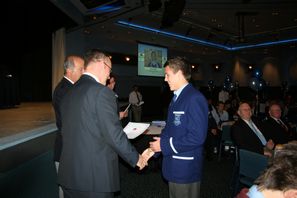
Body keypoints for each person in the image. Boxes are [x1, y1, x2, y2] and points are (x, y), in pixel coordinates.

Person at [57, 49, 148, 198]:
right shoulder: (102, 92)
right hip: (94, 178)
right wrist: (137, 158)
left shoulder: (68, 92)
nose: (109, 75)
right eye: (110, 69)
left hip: (69, 176)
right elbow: (114, 135)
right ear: (102, 64)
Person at [149, 57, 208, 198]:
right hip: (174, 164)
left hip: (185, 169)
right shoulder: (177, 97)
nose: (165, 79)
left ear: (180, 73)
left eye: (167, 74)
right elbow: (169, 129)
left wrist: (163, 146)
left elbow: (197, 137)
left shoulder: (194, 98)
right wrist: (153, 150)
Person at [52, 55, 84, 198]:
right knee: (66, 191)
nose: (84, 72)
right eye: (81, 69)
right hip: (66, 150)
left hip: (72, 150)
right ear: (70, 70)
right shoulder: (64, 90)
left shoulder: (72, 88)